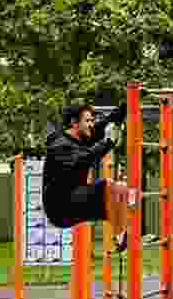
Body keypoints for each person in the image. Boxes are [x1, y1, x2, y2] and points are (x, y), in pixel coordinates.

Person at [42, 103, 128, 250]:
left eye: (92, 121)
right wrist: (108, 142)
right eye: (87, 121)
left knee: (121, 189)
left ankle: (124, 234)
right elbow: (84, 159)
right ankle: (120, 235)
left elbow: (102, 125)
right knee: (108, 186)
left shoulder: (81, 137)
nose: (91, 125)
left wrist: (127, 106)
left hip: (76, 198)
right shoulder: (60, 145)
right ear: (74, 123)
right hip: (60, 207)